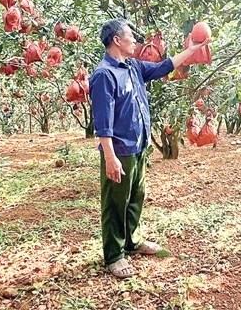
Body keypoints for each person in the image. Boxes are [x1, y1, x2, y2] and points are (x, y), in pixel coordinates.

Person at [89, 18, 208, 278]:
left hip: (139, 146)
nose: (135, 40)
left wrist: (193, 49)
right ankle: (114, 255)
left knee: (135, 198)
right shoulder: (104, 75)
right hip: (120, 150)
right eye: (130, 36)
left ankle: (132, 241)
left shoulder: (132, 66)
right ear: (117, 40)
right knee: (115, 204)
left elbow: (163, 67)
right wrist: (110, 156)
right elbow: (103, 121)